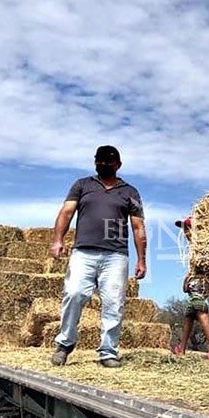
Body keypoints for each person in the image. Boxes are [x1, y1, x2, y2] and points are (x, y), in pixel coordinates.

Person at [49, 145, 147, 368]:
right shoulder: (82, 185)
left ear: (118, 165)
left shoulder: (130, 192)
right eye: (99, 161)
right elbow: (66, 212)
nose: (103, 164)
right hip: (83, 252)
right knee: (74, 294)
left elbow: (138, 226)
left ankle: (108, 352)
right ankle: (64, 345)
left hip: (116, 255)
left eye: (108, 162)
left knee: (113, 303)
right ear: (95, 162)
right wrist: (58, 240)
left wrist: (142, 259)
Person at [172, 217, 209, 362]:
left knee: (200, 310)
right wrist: (188, 278)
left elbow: (207, 265)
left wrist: (195, 278)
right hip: (196, 281)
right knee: (190, 314)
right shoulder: (193, 247)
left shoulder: (201, 246)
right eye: (184, 229)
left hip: (200, 283)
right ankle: (181, 348)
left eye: (188, 229)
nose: (185, 232)